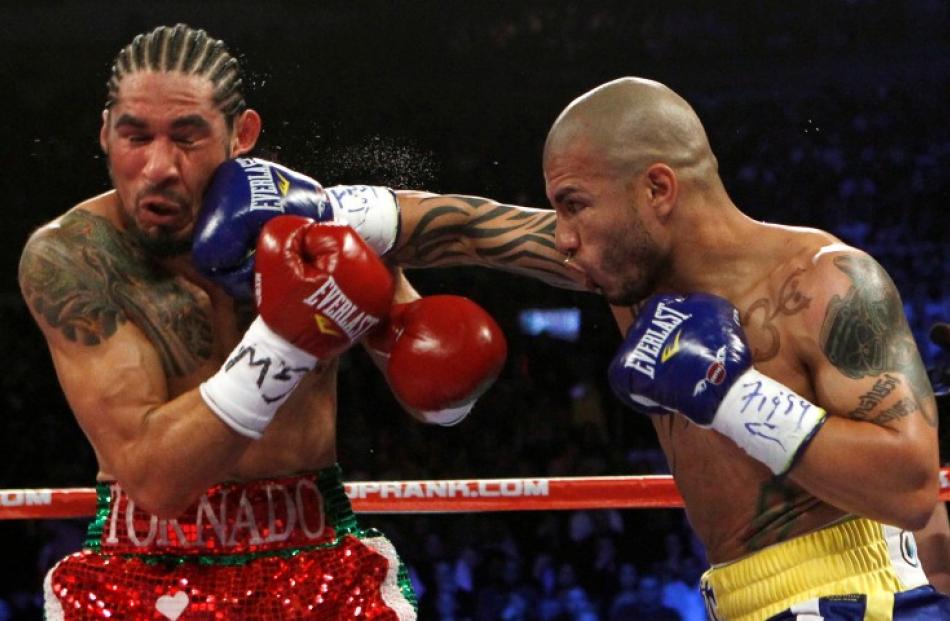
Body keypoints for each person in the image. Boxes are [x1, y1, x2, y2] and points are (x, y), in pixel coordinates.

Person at [17, 23, 549, 620]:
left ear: (242, 134)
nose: (158, 167)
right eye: (134, 137)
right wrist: (287, 336)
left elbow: (431, 380)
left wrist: (444, 380)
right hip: (143, 573)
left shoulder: (308, 226)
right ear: (104, 131)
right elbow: (157, 482)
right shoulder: (77, 257)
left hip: (315, 559)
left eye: (187, 138)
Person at [536, 77, 950, 619]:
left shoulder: (823, 279)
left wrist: (734, 397)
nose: (565, 237)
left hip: (850, 594)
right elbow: (473, 230)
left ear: (658, 189)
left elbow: (914, 490)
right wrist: (386, 219)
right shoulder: (623, 261)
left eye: (575, 206)